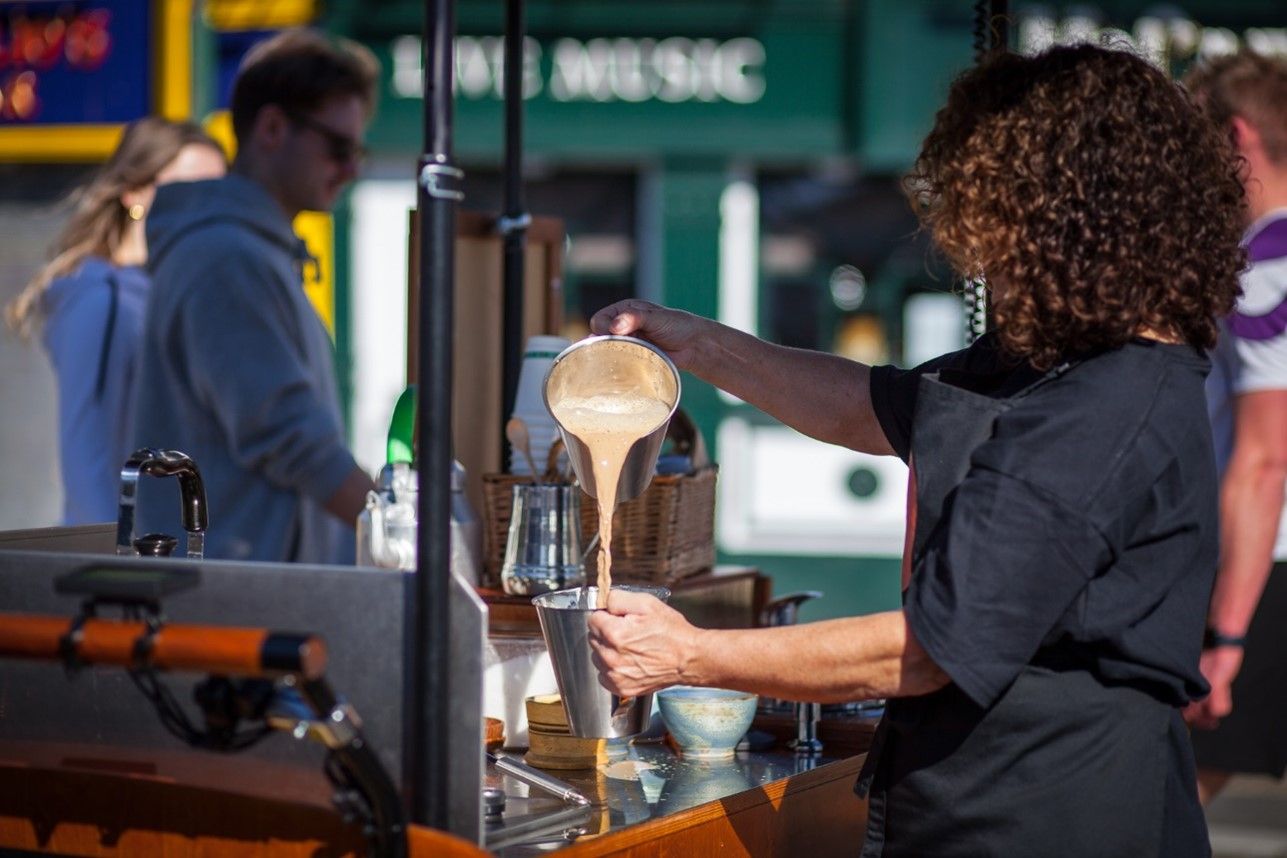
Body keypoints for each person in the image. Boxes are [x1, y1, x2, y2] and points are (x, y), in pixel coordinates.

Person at [586, 44, 1245, 855]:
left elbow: (929, 647)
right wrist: (697, 342)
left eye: (990, 218)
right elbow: (872, 406)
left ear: (1064, 218)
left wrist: (685, 653)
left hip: (1045, 820)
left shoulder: (1101, 408)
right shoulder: (1051, 363)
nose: (975, 252)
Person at [131, 29, 379, 563]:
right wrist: (412, 537)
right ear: (272, 127)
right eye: (339, 147)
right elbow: (291, 439)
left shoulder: (245, 252)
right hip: (230, 610)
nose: (352, 168)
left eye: (357, 150)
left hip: (238, 596)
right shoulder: (226, 257)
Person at [4, 118, 226, 525]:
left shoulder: (164, 291)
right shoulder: (102, 297)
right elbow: (89, 455)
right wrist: (117, 568)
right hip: (129, 565)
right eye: (188, 187)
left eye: (218, 191)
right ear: (135, 191)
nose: (206, 206)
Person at [1183, 50, 1287, 804]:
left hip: (1266, 569)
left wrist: (1224, 637)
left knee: (1165, 797)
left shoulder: (1267, 261)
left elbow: (1262, 460)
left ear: (1238, 137)